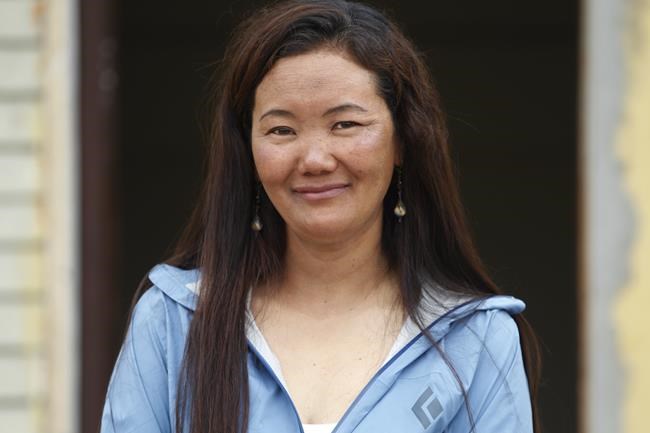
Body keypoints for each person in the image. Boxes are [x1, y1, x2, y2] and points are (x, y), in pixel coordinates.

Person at [100, 1, 541, 432]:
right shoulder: (173, 322)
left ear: (403, 140)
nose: (314, 159)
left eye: (345, 124)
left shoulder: (476, 340)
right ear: (247, 152)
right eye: (282, 130)